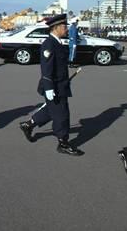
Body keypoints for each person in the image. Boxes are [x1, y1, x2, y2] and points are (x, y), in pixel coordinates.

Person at [20, 14, 84, 156]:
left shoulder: (58, 42)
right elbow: (46, 68)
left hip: (61, 85)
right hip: (54, 87)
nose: (66, 29)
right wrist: (49, 88)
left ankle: (28, 125)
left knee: (51, 110)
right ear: (56, 28)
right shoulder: (49, 44)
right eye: (64, 26)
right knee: (62, 115)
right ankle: (63, 143)